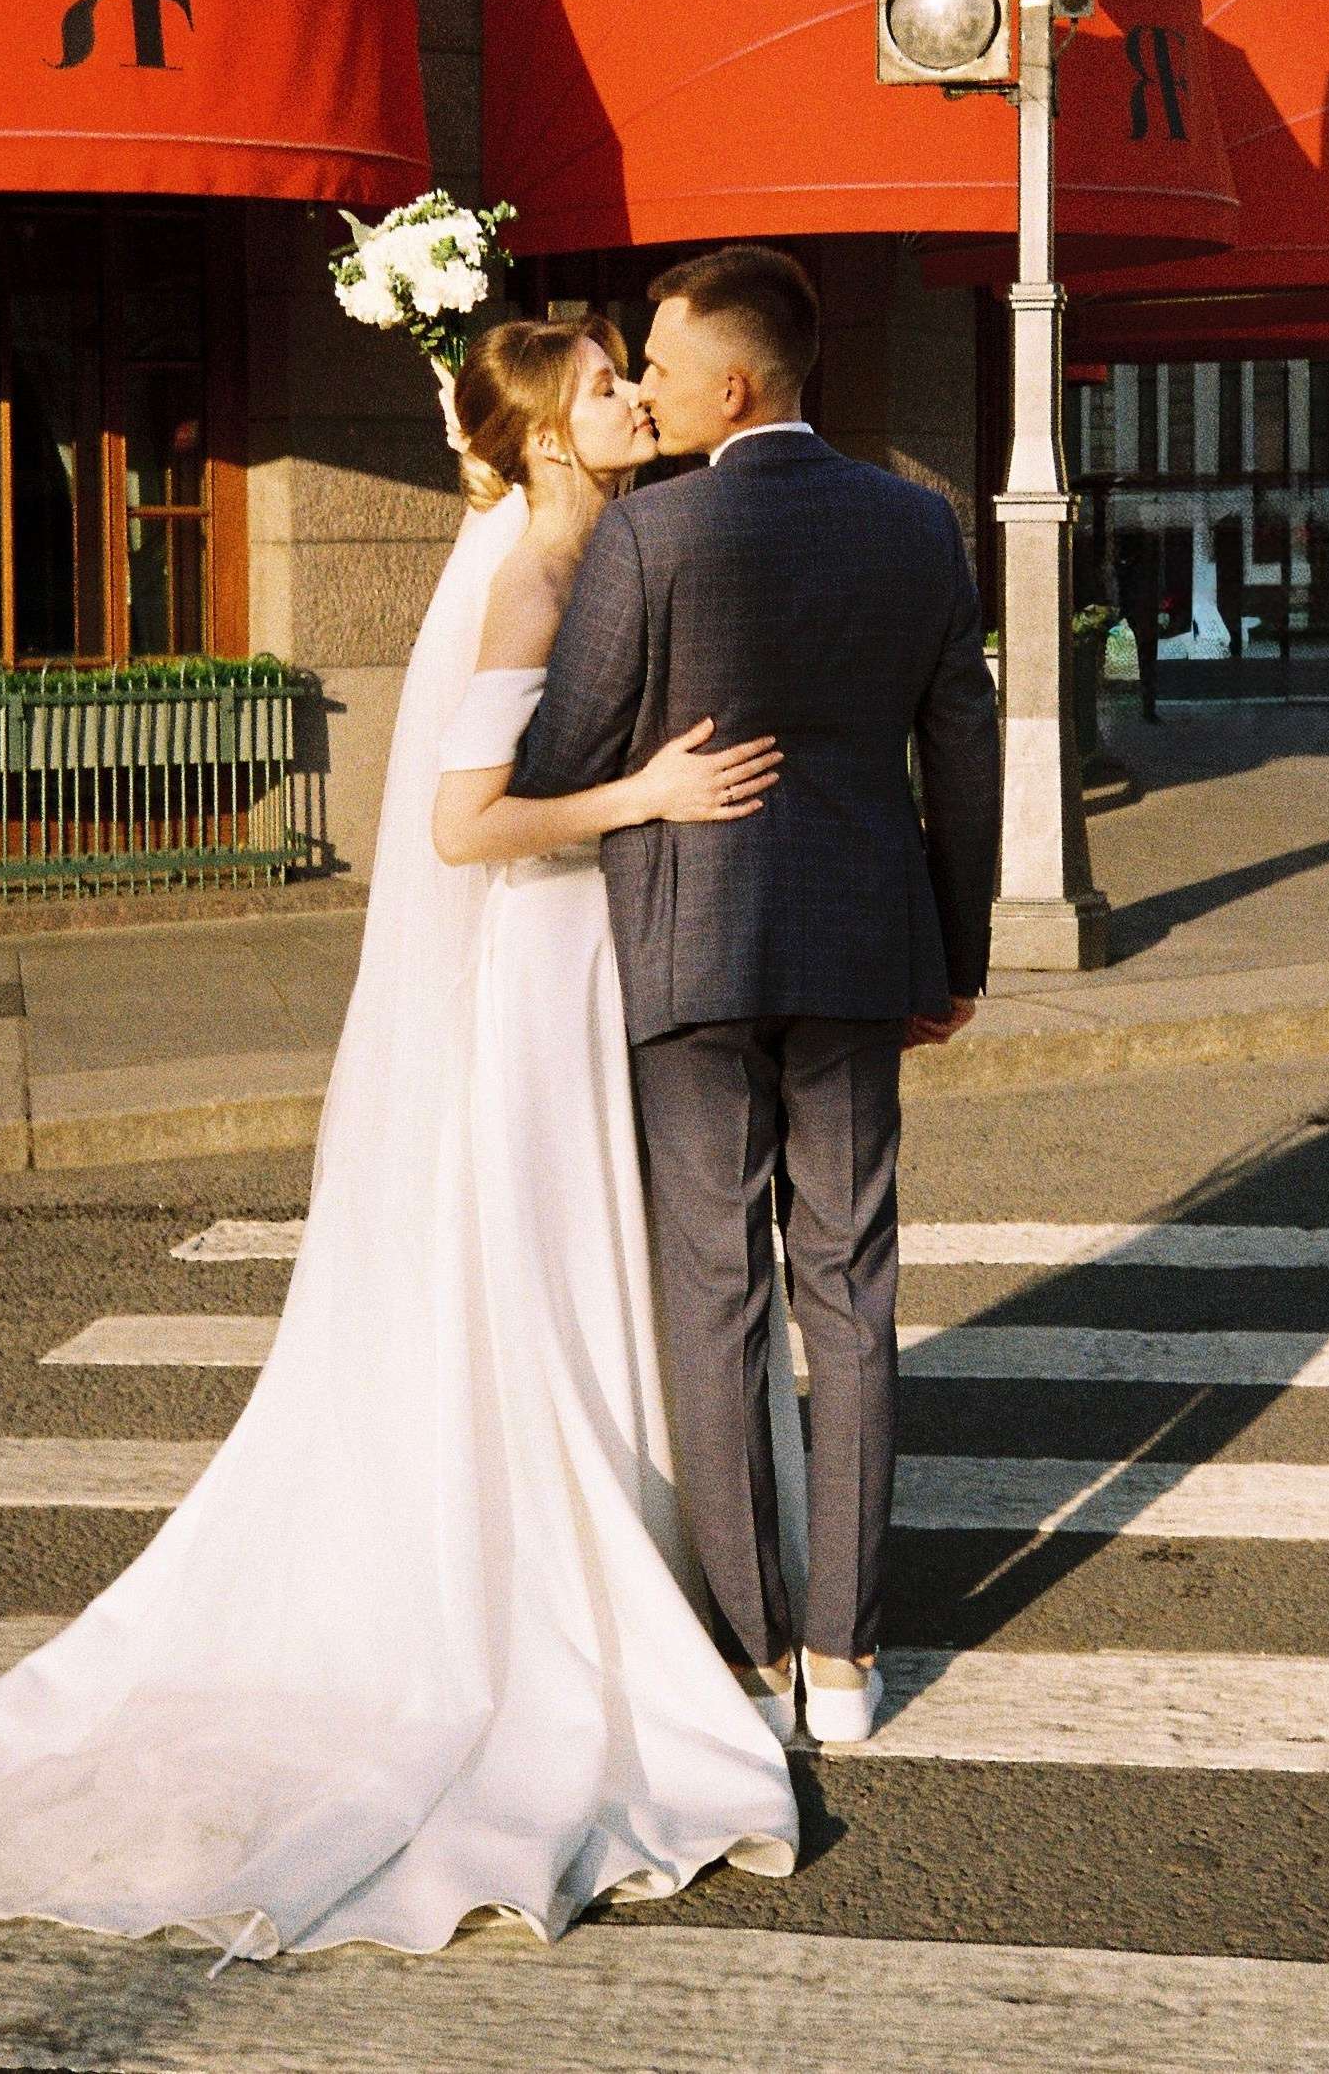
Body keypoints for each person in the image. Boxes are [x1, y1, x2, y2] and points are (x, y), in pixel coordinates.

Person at [0, 313, 801, 1959]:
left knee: (574, 1267)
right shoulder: (528, 575)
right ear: (551, 430)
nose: (635, 395)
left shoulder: (579, 538)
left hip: (570, 958)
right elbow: (457, 822)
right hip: (532, 962)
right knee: (540, 1269)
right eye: (608, 381)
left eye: (634, 370)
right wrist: (646, 798)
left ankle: (630, 1537)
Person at [513, 245, 1001, 1749]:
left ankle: (744, 1656)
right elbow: (963, 754)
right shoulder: (918, 525)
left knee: (712, 1290)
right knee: (848, 1291)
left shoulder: (652, 534)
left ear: (731, 384)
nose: (644, 383)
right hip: (861, 951)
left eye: (656, 360)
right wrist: (956, 953)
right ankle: (847, 1659)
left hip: (691, 954)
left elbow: (554, 762)